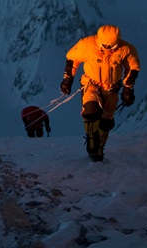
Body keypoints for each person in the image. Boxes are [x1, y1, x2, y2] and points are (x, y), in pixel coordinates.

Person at [60, 25, 140, 162]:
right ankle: (92, 142)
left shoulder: (125, 49)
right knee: (90, 111)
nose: (108, 49)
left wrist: (128, 89)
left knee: (106, 121)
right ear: (99, 40)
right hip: (91, 84)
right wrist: (68, 80)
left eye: (112, 47)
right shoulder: (88, 45)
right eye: (104, 46)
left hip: (111, 89)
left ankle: (99, 148)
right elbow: (72, 58)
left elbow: (133, 68)